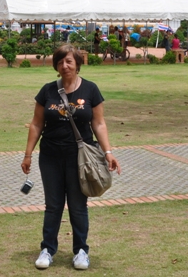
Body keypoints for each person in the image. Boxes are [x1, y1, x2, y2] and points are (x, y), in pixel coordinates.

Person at [22, 44, 121, 271]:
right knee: (53, 205)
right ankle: (47, 249)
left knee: (78, 206)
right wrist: (27, 155)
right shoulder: (47, 91)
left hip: (81, 159)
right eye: (60, 62)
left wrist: (108, 152)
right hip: (50, 156)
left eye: (69, 61)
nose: (64, 66)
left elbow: (98, 123)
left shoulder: (90, 90)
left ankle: (81, 252)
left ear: (77, 63)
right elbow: (37, 124)